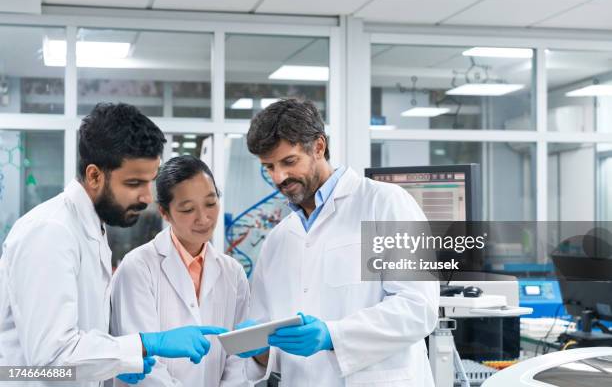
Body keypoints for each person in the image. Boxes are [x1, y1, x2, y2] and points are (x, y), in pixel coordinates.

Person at [0, 103, 226, 387]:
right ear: (94, 176)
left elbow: (76, 350)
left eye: (150, 182)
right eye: (134, 183)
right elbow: (52, 362)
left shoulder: (91, 228)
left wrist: (114, 365)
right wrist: (143, 344)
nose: (147, 198)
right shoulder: (51, 231)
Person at [238, 98, 440, 386]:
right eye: (269, 167)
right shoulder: (278, 239)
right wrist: (259, 350)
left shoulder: (385, 204)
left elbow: (418, 308)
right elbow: (270, 340)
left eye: (289, 162)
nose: (279, 177)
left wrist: (333, 335)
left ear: (318, 147)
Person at [110, 155, 249, 387]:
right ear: (164, 212)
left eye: (211, 203)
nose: (203, 218)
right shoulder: (138, 267)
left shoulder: (232, 272)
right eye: (187, 209)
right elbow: (143, 358)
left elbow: (238, 357)